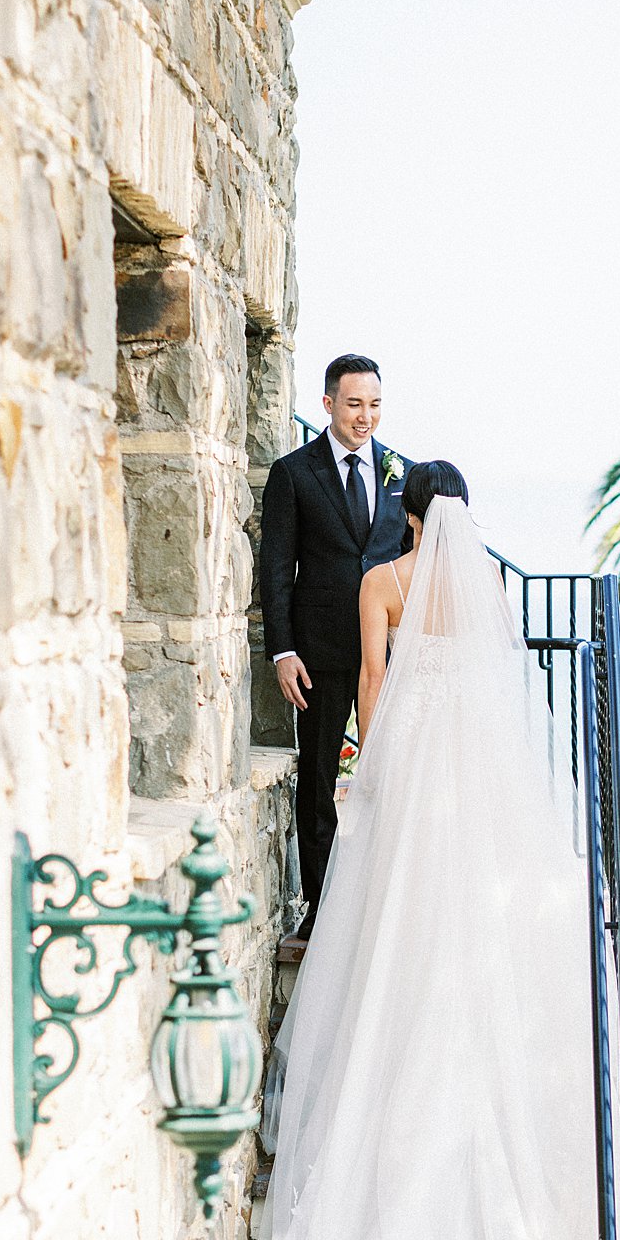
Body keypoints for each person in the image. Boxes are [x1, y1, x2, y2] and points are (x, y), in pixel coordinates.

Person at [253, 462, 600, 1240]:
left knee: (394, 928)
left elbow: (371, 680)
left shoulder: (384, 581)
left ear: (405, 518)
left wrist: (369, 765)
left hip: (415, 762)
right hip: (476, 778)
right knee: (472, 926)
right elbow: (499, 684)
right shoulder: (483, 581)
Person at [258, 356, 413, 941]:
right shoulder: (294, 474)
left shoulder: (404, 473)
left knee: (393, 777)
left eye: (374, 405)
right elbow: (276, 569)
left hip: (388, 658)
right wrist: (282, 651)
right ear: (328, 405)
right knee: (319, 783)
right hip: (318, 657)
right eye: (354, 405)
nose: (365, 417)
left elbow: (410, 556)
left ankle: (385, 906)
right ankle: (322, 911)